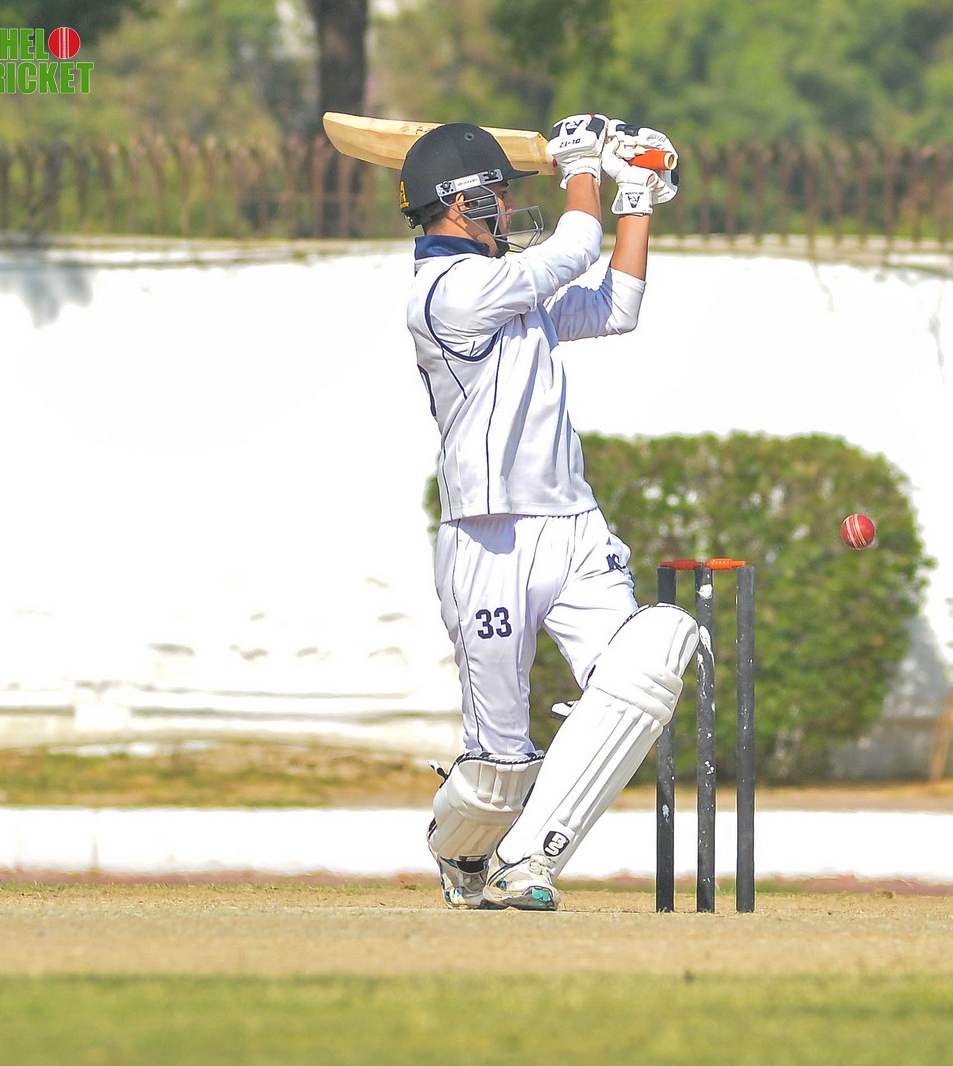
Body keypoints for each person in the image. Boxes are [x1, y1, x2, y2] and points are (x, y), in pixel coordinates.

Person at [400, 115, 694, 911]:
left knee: (650, 659)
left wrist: (636, 197)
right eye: (496, 193)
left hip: (573, 527)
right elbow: (574, 248)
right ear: (459, 203)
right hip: (487, 538)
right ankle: (465, 853)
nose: (506, 206)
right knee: (499, 769)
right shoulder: (450, 292)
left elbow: (615, 306)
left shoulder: (507, 286)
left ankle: (528, 861)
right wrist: (579, 165)